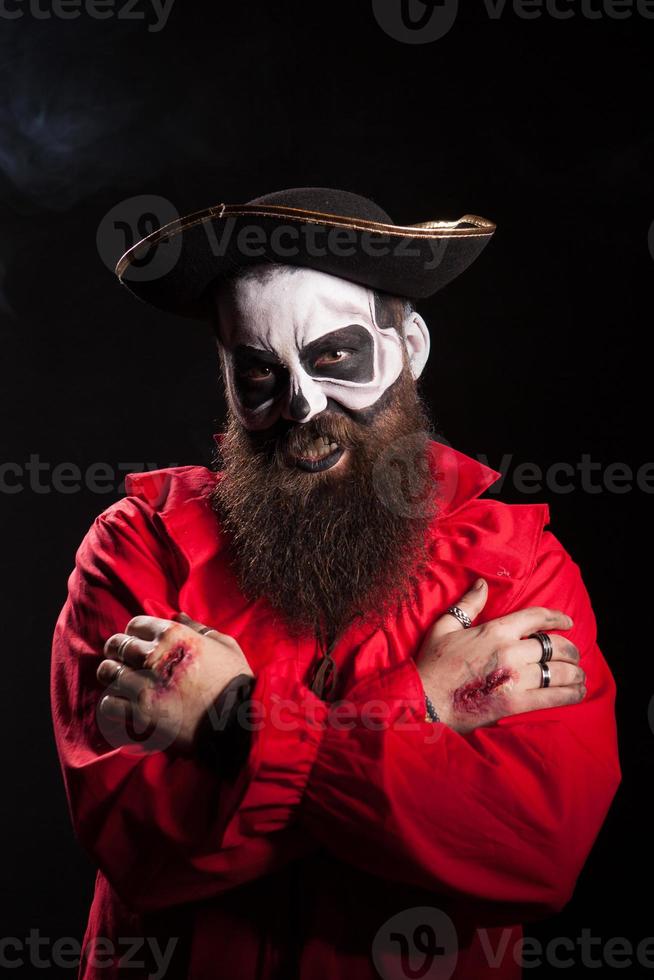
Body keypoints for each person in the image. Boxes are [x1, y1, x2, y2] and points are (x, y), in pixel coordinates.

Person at [51, 188, 620, 980]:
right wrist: (419, 711)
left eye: (334, 357)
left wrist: (233, 724)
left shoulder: (516, 563)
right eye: (259, 375)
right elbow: (138, 843)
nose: (304, 405)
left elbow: (532, 850)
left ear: (408, 347)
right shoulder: (136, 549)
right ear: (226, 379)